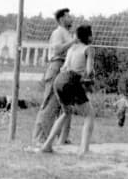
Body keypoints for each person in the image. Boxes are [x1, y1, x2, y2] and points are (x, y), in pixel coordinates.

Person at [40, 24, 96, 157]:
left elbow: (64, 67)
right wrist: (91, 76)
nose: (93, 37)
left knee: (66, 112)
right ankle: (84, 150)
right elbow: (89, 71)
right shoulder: (89, 49)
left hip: (59, 80)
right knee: (89, 114)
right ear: (88, 36)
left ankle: (47, 145)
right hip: (72, 80)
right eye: (92, 34)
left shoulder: (71, 48)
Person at [32, 8, 75, 145]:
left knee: (65, 106)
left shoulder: (68, 33)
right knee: (50, 104)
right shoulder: (58, 32)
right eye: (68, 16)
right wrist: (73, 42)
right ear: (61, 19)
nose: (71, 18)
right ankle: (39, 138)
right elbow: (57, 49)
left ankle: (62, 138)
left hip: (66, 69)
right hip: (56, 67)